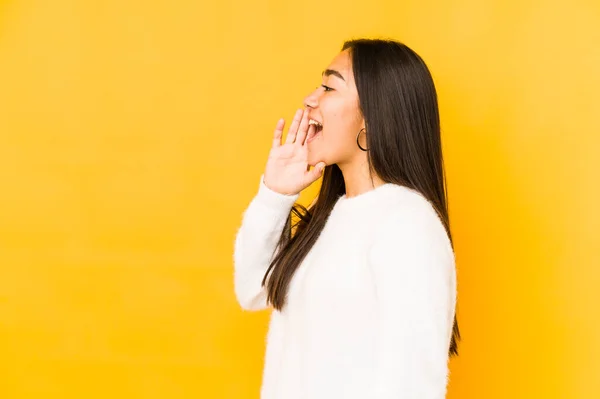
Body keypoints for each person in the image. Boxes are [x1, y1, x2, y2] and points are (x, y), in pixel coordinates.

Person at [233, 38, 460, 399]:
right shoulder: (329, 219)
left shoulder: (408, 225)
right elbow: (252, 289)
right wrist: (274, 195)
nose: (310, 99)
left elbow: (412, 384)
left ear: (372, 116)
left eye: (328, 87)